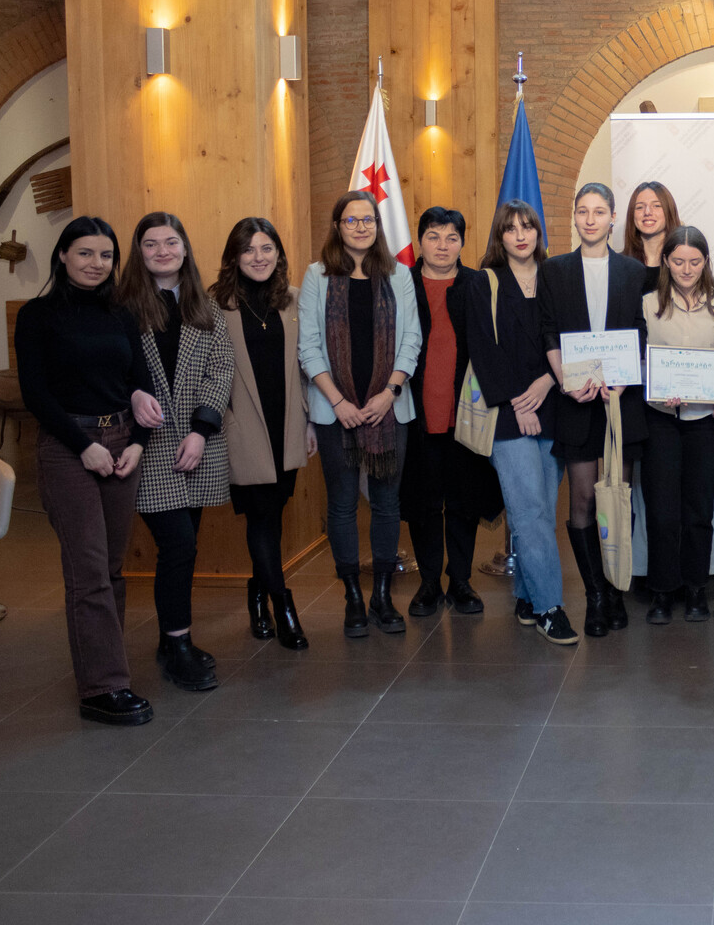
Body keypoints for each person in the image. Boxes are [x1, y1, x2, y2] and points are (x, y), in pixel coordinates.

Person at [16, 217, 165, 725]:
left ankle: (107, 671)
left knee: (111, 569)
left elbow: (141, 384)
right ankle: (103, 688)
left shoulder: (121, 314)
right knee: (89, 571)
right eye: (84, 253)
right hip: (68, 448)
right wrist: (84, 447)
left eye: (105, 255)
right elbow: (36, 394)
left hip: (122, 445)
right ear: (62, 255)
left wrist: (139, 443)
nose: (96, 264)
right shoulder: (38, 316)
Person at [116, 212, 234, 691]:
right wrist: (131, 396)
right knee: (178, 545)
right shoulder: (122, 307)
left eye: (171, 242)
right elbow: (112, 370)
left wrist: (201, 431)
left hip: (196, 444)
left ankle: (171, 640)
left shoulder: (204, 306)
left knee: (185, 547)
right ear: (138, 252)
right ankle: (179, 648)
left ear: (185, 248)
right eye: (151, 243)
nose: (162, 251)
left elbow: (221, 369)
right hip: (147, 445)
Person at [299, 190, 422, 638]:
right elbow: (308, 346)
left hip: (389, 408)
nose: (360, 227)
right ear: (337, 226)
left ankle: (382, 596)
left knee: (388, 503)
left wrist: (389, 393)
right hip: (337, 412)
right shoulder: (317, 276)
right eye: (351, 220)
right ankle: (353, 596)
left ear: (377, 225)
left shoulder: (399, 275)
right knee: (342, 503)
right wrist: (338, 402)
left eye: (368, 220)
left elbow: (411, 340)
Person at [466, 200, 578, 645]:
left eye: (527, 227)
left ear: (538, 232)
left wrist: (549, 383)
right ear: (500, 235)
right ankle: (551, 607)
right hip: (508, 413)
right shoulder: (485, 282)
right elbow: (482, 350)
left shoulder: (556, 278)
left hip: (552, 406)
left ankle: (527, 597)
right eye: (510, 228)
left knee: (541, 511)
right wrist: (520, 403)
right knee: (528, 511)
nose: (520, 235)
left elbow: (570, 340)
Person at [539, 182, 646, 637]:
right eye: (582, 211)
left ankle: (617, 588)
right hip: (577, 400)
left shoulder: (634, 271)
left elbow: (640, 331)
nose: (590, 219)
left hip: (621, 400)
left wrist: (627, 376)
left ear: (612, 217)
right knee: (582, 498)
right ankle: (596, 594)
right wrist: (566, 379)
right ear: (574, 216)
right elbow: (548, 330)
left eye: (599, 211)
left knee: (618, 497)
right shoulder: (554, 270)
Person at [209, 216, 314, 651]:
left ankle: (257, 595)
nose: (258, 257)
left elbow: (307, 363)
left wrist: (310, 419)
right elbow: (208, 369)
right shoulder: (215, 304)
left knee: (273, 514)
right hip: (242, 426)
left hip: (287, 423)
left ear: (279, 254)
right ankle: (282, 604)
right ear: (234, 256)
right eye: (248, 249)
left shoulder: (294, 299)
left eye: (267, 248)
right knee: (260, 516)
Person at [401, 206, 499, 619]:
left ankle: (460, 580)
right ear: (420, 241)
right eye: (434, 237)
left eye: (452, 238)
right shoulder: (401, 283)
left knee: (463, 501)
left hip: (468, 412)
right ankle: (428, 583)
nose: (442, 246)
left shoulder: (478, 284)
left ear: (462, 243)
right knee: (423, 502)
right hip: (415, 412)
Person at [643, 226, 714, 623]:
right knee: (662, 512)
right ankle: (663, 592)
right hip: (661, 421)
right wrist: (656, 390)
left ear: (706, 262)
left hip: (704, 423)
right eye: (679, 261)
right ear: (666, 261)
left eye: (695, 262)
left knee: (699, 511)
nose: (687, 269)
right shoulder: (648, 304)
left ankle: (697, 589)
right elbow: (641, 364)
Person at [624, 180, 681, 294]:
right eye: (640, 207)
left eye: (656, 206)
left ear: (669, 211)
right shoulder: (620, 265)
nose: (647, 212)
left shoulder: (684, 264)